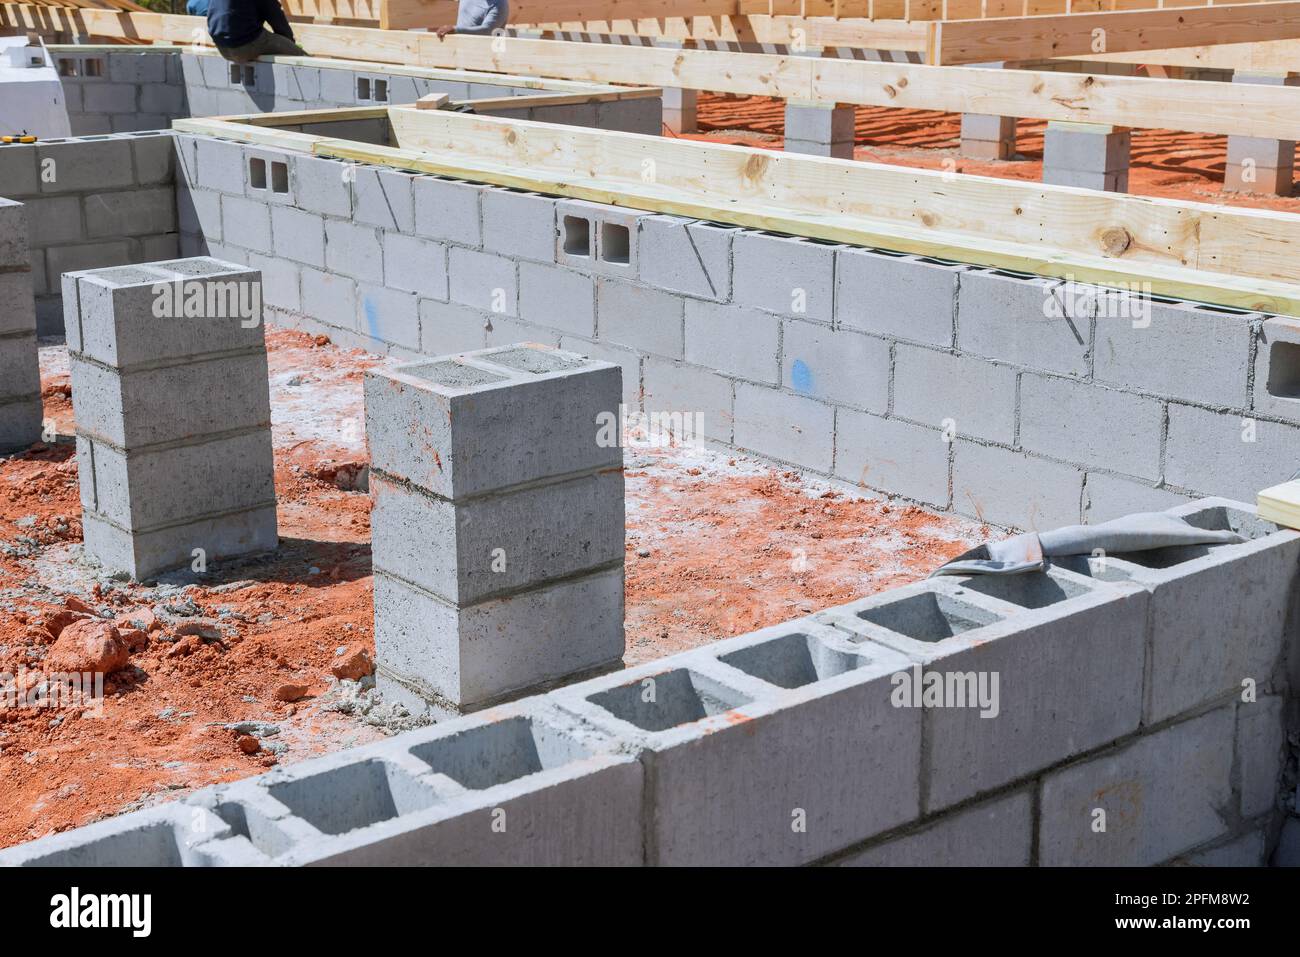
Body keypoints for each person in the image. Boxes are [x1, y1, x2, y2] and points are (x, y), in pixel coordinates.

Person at [208, 0, 308, 64]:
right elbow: (275, 16)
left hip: (221, 46)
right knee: (301, 57)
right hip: (244, 43)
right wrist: (289, 41)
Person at [434, 0, 509, 37]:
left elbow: (487, 31)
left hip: (485, 60)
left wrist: (455, 30)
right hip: (459, 51)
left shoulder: (499, 4)